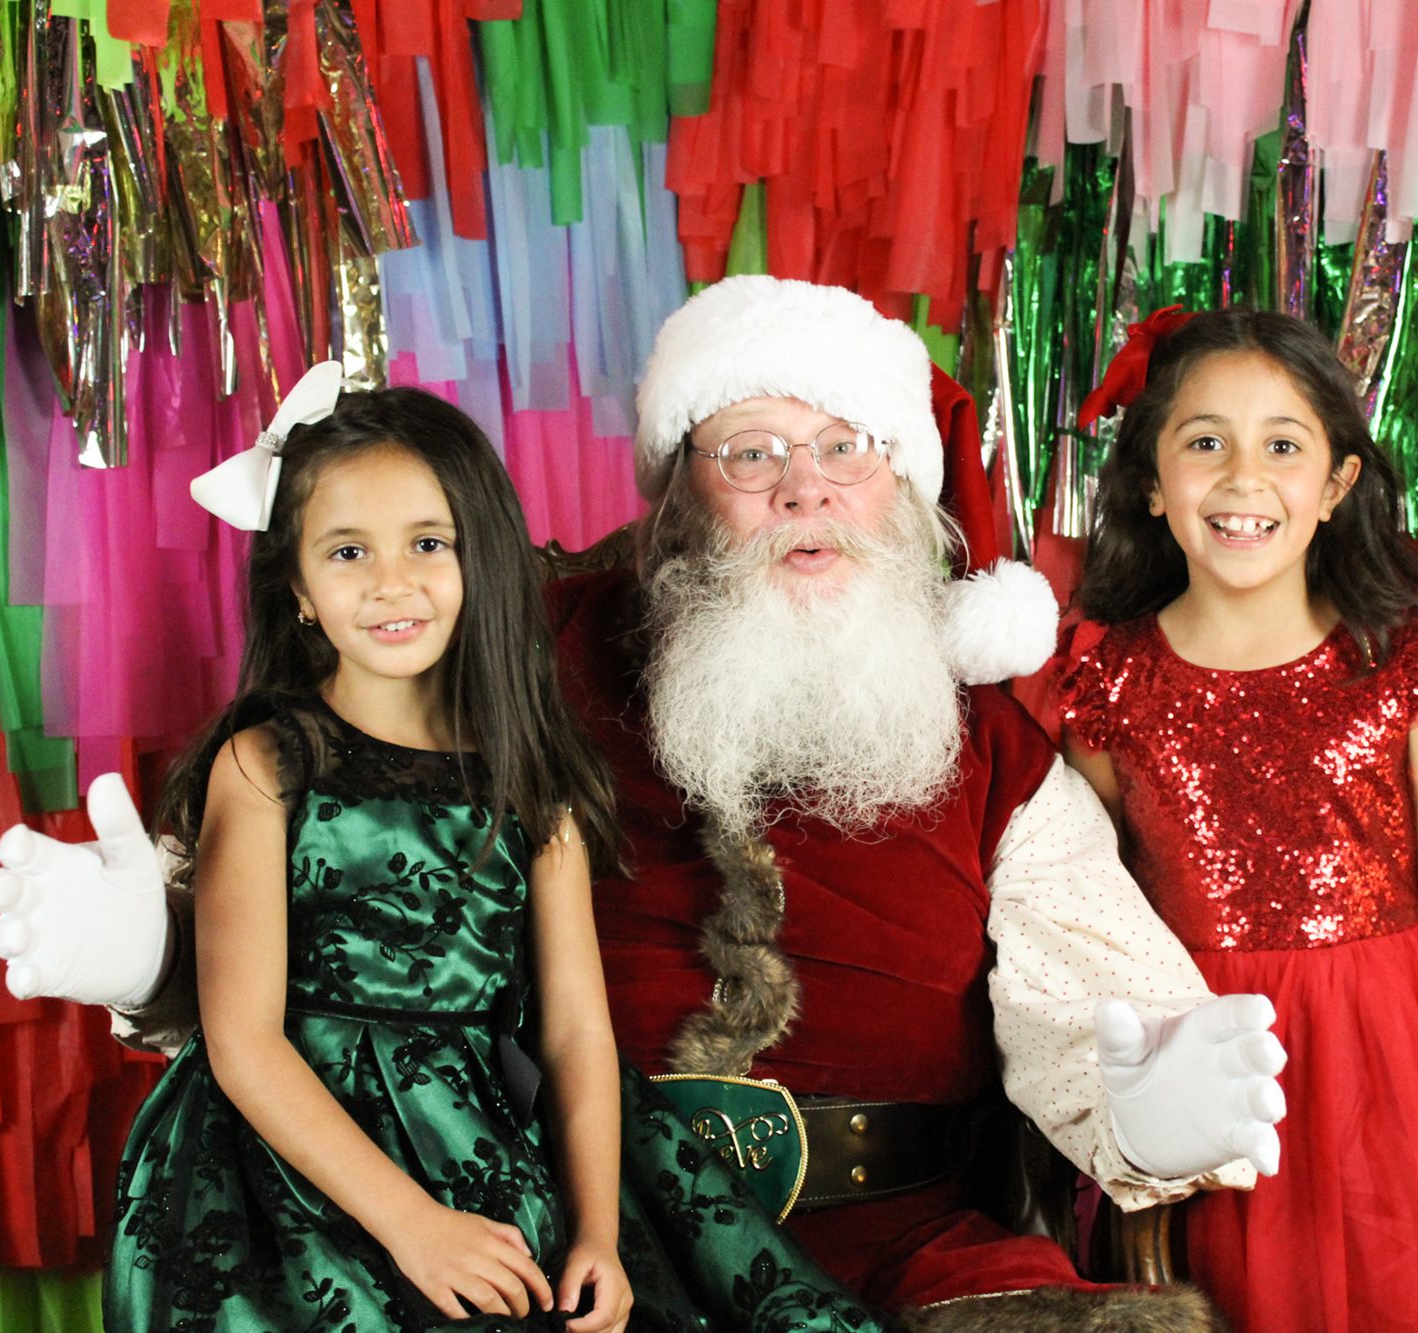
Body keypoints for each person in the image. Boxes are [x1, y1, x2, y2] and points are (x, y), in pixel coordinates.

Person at [0, 276, 1289, 1332]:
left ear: (905, 487)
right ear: (677, 492)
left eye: (846, 448)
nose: (803, 488)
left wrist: (1144, 1102)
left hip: (906, 1240)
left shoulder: (992, 742)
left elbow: (1082, 996)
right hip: (560, 1204)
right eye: (751, 453)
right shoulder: (523, 650)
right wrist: (153, 943)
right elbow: (345, 850)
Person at [97, 371, 889, 1333]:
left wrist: (598, 1232)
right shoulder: (264, 766)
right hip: (291, 1168)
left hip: (476, 1138)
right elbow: (243, 1041)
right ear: (298, 588)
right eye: (347, 551)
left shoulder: (530, 780)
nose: (392, 582)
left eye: (428, 543)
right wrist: (413, 1225)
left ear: (482, 559)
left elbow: (575, 1033)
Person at [1058, 306, 1418, 1332]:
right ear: (1152, 482)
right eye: (1206, 442)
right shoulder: (1105, 683)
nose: (1243, 478)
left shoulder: (1403, 664)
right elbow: (1086, 927)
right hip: (1208, 1083)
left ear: (1336, 485)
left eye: (1282, 446)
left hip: (1386, 1073)